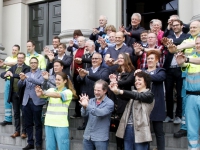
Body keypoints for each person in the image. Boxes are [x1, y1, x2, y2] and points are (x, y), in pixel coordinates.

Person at [165, 21, 200, 138]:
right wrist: (172, 48)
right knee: (185, 101)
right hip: (188, 75)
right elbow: (175, 50)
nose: (192, 29)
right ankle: (185, 127)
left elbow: (190, 45)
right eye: (191, 27)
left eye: (195, 27)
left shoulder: (193, 41)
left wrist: (178, 46)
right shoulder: (187, 39)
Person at [109, 71, 154, 150]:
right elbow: (124, 96)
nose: (137, 82)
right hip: (128, 128)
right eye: (136, 80)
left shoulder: (149, 95)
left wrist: (119, 91)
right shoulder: (133, 93)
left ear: (146, 81)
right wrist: (115, 89)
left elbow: (138, 96)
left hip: (141, 130)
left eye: (139, 80)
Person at [35, 72, 77, 150]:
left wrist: (43, 92)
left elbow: (57, 95)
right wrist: (39, 93)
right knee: (50, 147)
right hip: (49, 123)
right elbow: (42, 95)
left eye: (59, 80)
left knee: (63, 147)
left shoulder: (68, 92)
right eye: (56, 79)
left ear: (65, 81)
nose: (56, 81)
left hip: (61, 125)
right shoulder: (51, 90)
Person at [162, 20, 190, 125]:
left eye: (177, 25)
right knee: (168, 93)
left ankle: (178, 115)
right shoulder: (169, 36)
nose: (175, 27)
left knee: (179, 93)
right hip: (169, 68)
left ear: (182, 26)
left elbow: (183, 43)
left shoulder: (186, 37)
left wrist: (171, 43)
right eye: (173, 26)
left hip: (180, 68)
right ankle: (169, 115)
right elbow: (163, 40)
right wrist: (168, 41)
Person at [137, 50, 166, 150]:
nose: (149, 60)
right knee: (145, 131)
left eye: (151, 58)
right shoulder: (142, 71)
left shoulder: (161, 71)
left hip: (157, 105)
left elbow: (159, 78)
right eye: (148, 58)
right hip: (143, 105)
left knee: (159, 132)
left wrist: (143, 76)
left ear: (157, 60)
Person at [175, 35, 200, 150]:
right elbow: (183, 64)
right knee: (192, 129)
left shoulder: (192, 59)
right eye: (197, 43)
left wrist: (187, 59)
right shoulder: (191, 57)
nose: (198, 45)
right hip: (191, 98)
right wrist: (180, 61)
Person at [109, 53, 135, 150]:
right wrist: (112, 80)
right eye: (118, 58)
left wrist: (116, 82)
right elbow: (112, 84)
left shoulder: (131, 71)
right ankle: (119, 146)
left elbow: (128, 82)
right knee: (116, 126)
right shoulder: (116, 72)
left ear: (126, 59)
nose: (119, 59)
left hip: (125, 101)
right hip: (115, 100)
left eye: (121, 58)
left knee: (124, 126)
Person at [76, 52, 109, 130]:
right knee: (86, 113)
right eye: (93, 58)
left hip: (98, 96)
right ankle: (85, 125)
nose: (94, 60)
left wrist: (87, 73)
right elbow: (78, 80)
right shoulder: (87, 69)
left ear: (101, 60)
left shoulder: (104, 70)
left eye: (96, 58)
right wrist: (80, 76)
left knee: (96, 114)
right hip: (87, 95)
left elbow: (101, 78)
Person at [1, 52, 30, 138]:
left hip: (23, 94)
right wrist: (5, 74)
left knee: (24, 113)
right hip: (14, 93)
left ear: (24, 59)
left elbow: (23, 76)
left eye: (21, 58)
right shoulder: (13, 67)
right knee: (16, 113)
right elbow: (2, 74)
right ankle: (17, 131)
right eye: (18, 58)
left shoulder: (26, 68)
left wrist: (12, 75)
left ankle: (24, 132)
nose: (19, 59)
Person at [18, 57, 46, 150]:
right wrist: (21, 80)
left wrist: (28, 78)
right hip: (26, 101)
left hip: (37, 101)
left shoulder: (41, 73)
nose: (33, 64)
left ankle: (38, 144)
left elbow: (40, 82)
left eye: (35, 62)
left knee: (38, 124)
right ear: (30, 64)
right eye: (32, 63)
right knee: (28, 123)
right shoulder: (27, 74)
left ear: (37, 64)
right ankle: (30, 143)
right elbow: (19, 85)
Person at [79, 79, 114, 150]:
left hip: (100, 138)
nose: (96, 92)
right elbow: (83, 114)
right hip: (88, 136)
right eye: (95, 90)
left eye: (98, 90)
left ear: (105, 91)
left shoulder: (109, 103)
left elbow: (100, 113)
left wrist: (87, 106)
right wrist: (84, 106)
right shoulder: (91, 100)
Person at [0, 45, 19, 126]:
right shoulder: (7, 58)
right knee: (7, 100)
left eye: (15, 50)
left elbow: (15, 64)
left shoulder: (19, 58)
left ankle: (18, 119)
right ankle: (8, 119)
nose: (14, 51)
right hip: (8, 81)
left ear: (18, 51)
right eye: (13, 50)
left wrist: (5, 63)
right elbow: (4, 66)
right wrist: (2, 64)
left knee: (17, 101)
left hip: (15, 81)